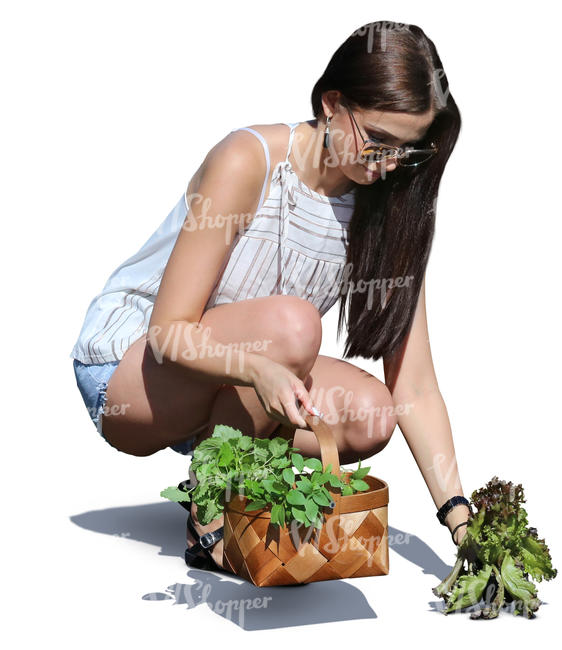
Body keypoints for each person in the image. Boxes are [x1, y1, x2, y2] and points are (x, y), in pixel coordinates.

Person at [70, 21, 472, 570]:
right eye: (378, 141)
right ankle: (212, 511)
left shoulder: (389, 209)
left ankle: (220, 466)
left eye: (408, 151)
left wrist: (460, 518)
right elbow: (169, 332)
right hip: (131, 369)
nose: (388, 166)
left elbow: (416, 388)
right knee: (295, 327)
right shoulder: (250, 159)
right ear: (333, 103)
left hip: (235, 377)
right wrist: (258, 370)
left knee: (373, 413)